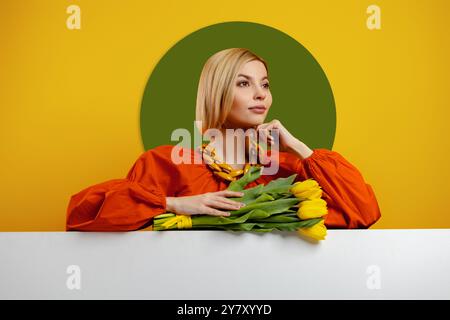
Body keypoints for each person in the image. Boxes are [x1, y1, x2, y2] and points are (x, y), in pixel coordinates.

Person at [66, 48, 381, 231]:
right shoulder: (165, 165)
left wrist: (297, 146)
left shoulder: (285, 173)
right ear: (217, 92)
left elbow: (364, 211)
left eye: (265, 84)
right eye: (243, 83)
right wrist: (175, 204)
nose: (260, 94)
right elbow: (82, 215)